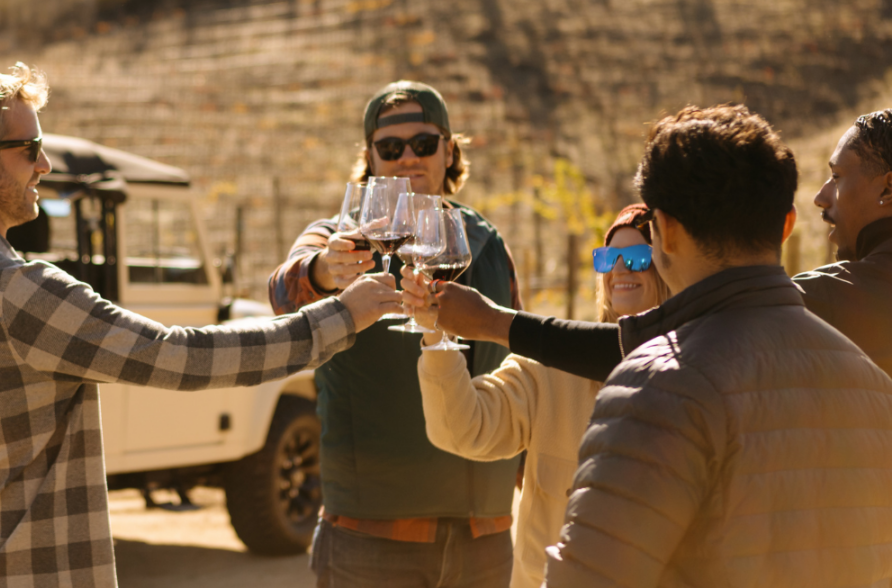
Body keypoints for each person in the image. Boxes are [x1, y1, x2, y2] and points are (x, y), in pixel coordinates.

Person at [0, 63, 401, 588]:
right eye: (29, 147)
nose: (42, 164)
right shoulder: (14, 289)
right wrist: (342, 316)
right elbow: (178, 356)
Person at [536, 104, 892, 587]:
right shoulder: (874, 390)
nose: (823, 197)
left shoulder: (655, 386)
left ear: (665, 232)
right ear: (785, 228)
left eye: (836, 176)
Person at [267, 80, 522, 588]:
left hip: (485, 530)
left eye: (424, 144)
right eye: (391, 147)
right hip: (373, 533)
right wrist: (323, 270)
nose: (409, 157)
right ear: (370, 157)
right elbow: (284, 290)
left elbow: (519, 365)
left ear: (449, 150)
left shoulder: (487, 241)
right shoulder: (343, 237)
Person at [420, 107, 892, 381]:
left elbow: (655, 345)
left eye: (837, 177)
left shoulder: (853, 295)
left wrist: (493, 322)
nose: (821, 197)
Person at [414, 204, 669, 588]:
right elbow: (462, 430)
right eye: (609, 257)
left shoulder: (696, 373)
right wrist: (437, 337)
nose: (620, 269)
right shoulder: (550, 366)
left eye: (636, 257)